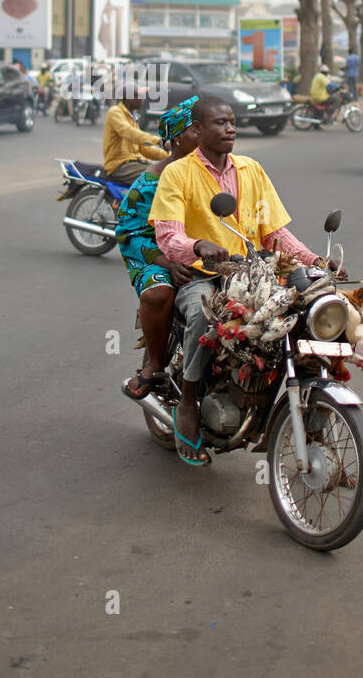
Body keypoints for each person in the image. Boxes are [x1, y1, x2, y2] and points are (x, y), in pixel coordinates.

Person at [149, 96, 322, 466]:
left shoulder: (251, 170)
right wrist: (198, 245)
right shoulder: (177, 174)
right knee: (201, 316)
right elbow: (167, 236)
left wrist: (313, 260)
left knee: (307, 307)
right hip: (203, 277)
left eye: (232, 122)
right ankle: (189, 400)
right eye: (220, 123)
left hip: (252, 274)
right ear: (197, 129)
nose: (230, 129)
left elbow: (274, 233)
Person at [118, 99, 200, 399]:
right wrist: (167, 264)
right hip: (155, 256)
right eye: (196, 129)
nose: (204, 134)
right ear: (177, 137)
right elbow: (130, 233)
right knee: (159, 293)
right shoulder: (149, 183)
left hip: (200, 255)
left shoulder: (214, 172)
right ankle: (153, 366)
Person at [103, 90, 167, 185]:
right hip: (119, 165)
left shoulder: (132, 117)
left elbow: (144, 148)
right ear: (128, 98)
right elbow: (128, 132)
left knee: (166, 173)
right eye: (139, 96)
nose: (143, 99)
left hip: (135, 163)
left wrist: (169, 156)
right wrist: (159, 141)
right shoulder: (115, 112)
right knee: (157, 179)